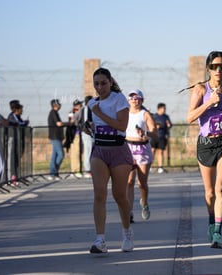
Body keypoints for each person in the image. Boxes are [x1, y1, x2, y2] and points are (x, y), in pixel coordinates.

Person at [186, 51, 222, 249]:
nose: (218, 70)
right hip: (206, 144)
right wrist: (209, 102)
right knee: (209, 192)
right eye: (214, 66)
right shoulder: (200, 89)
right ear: (209, 68)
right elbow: (189, 117)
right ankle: (211, 221)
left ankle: (218, 231)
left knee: (220, 188)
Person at [86, 67, 134, 254]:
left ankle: (127, 233)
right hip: (99, 150)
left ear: (110, 82)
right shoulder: (92, 103)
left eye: (103, 83)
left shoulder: (119, 99)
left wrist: (99, 113)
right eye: (96, 84)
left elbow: (122, 125)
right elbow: (95, 125)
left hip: (118, 150)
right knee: (99, 194)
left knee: (119, 195)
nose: (100, 87)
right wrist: (89, 125)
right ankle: (100, 240)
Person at [125, 89, 157, 222]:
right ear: (128, 100)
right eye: (131, 97)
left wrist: (145, 133)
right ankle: (129, 211)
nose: (134, 99)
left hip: (142, 149)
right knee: (129, 181)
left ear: (142, 100)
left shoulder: (145, 114)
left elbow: (154, 132)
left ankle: (144, 203)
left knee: (142, 183)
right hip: (127, 148)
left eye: (137, 97)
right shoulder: (124, 114)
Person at [7, 102, 29, 185]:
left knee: (18, 158)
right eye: (20, 109)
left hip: (19, 140)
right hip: (13, 139)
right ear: (16, 109)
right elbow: (17, 124)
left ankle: (17, 176)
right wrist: (24, 123)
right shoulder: (11, 117)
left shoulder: (19, 117)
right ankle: (11, 177)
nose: (22, 111)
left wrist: (25, 123)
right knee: (13, 158)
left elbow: (21, 123)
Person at [47, 99, 69, 180]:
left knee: (55, 155)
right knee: (61, 154)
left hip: (57, 137)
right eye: (58, 104)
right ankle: (53, 172)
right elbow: (58, 123)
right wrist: (68, 123)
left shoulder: (56, 113)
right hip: (55, 137)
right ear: (55, 105)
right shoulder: (53, 112)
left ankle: (53, 173)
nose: (60, 105)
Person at [74, 95, 94, 178]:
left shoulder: (90, 109)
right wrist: (81, 126)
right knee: (88, 151)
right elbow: (75, 118)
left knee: (91, 151)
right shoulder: (84, 109)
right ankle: (87, 170)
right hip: (86, 133)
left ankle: (91, 169)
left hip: (91, 133)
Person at [151, 103, 172, 173]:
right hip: (154, 136)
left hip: (162, 137)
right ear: (159, 109)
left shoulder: (166, 117)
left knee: (161, 152)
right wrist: (155, 127)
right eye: (164, 108)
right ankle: (150, 166)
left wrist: (169, 125)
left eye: (165, 108)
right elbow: (150, 125)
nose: (165, 110)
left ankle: (160, 167)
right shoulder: (154, 116)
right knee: (152, 151)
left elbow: (170, 125)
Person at [68, 99, 83, 177]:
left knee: (77, 152)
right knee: (75, 153)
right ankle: (76, 170)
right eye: (80, 104)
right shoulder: (74, 111)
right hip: (75, 134)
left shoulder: (77, 111)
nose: (81, 105)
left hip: (77, 133)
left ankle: (75, 170)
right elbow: (72, 121)